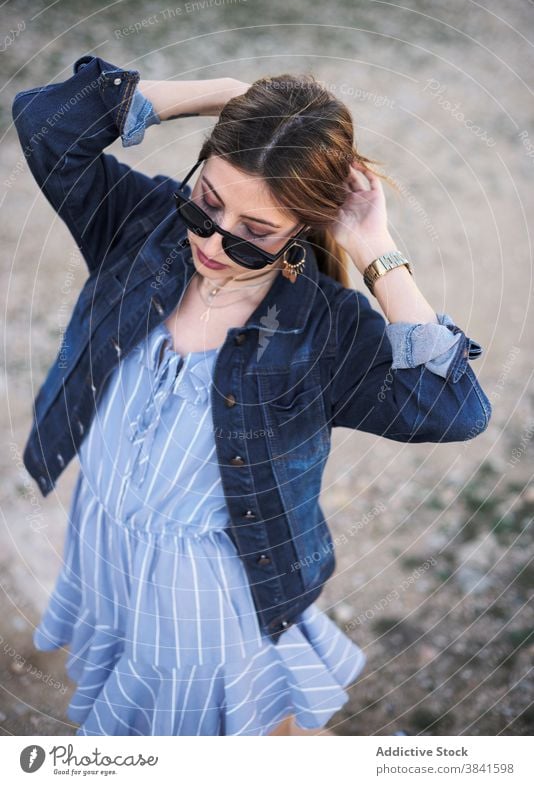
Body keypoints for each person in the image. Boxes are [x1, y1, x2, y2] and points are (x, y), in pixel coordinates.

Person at [11, 55, 492, 736]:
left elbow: (458, 407)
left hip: (202, 602)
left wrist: (374, 245)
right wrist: (226, 100)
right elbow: (45, 123)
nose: (213, 241)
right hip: (111, 549)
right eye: (205, 204)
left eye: (255, 235)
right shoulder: (141, 227)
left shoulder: (320, 329)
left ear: (302, 230)